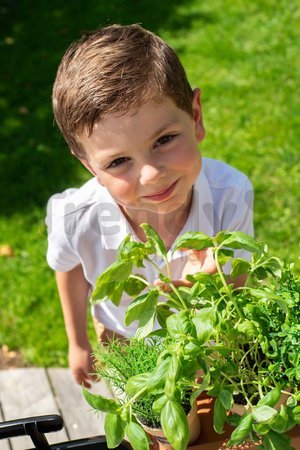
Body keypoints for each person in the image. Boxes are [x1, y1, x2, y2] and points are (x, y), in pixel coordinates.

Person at [46, 24, 254, 388]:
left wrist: (218, 280)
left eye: (165, 139)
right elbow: (70, 269)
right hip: (123, 334)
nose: (152, 174)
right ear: (90, 167)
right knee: (142, 421)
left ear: (196, 116)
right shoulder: (75, 218)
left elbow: (238, 278)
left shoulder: (230, 194)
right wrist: (77, 343)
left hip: (205, 338)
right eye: (118, 162)